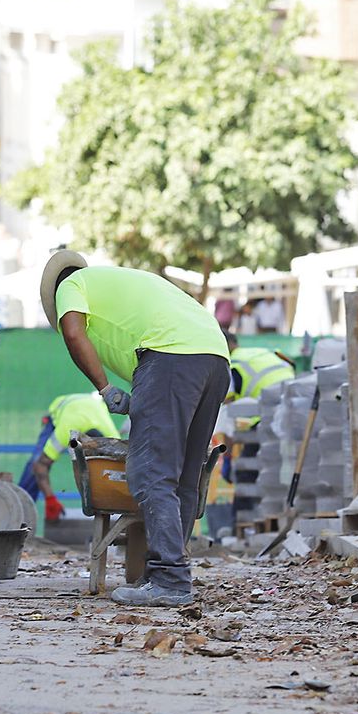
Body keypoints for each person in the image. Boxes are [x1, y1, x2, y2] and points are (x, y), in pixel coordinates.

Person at [40, 251, 230, 607]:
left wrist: (105, 389)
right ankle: (168, 575)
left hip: (170, 353)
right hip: (214, 356)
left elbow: (72, 333)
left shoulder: (71, 285)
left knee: (151, 472)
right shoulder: (118, 286)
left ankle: (170, 579)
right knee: (185, 476)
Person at [26, 391, 119, 522]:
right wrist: (50, 499)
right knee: (35, 463)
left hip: (91, 407)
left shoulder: (112, 436)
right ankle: (22, 510)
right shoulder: (65, 432)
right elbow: (40, 465)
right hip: (64, 406)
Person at [224, 330, 295, 401]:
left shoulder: (231, 363)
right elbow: (291, 364)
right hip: (293, 388)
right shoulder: (262, 350)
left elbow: (228, 402)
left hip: (270, 400)